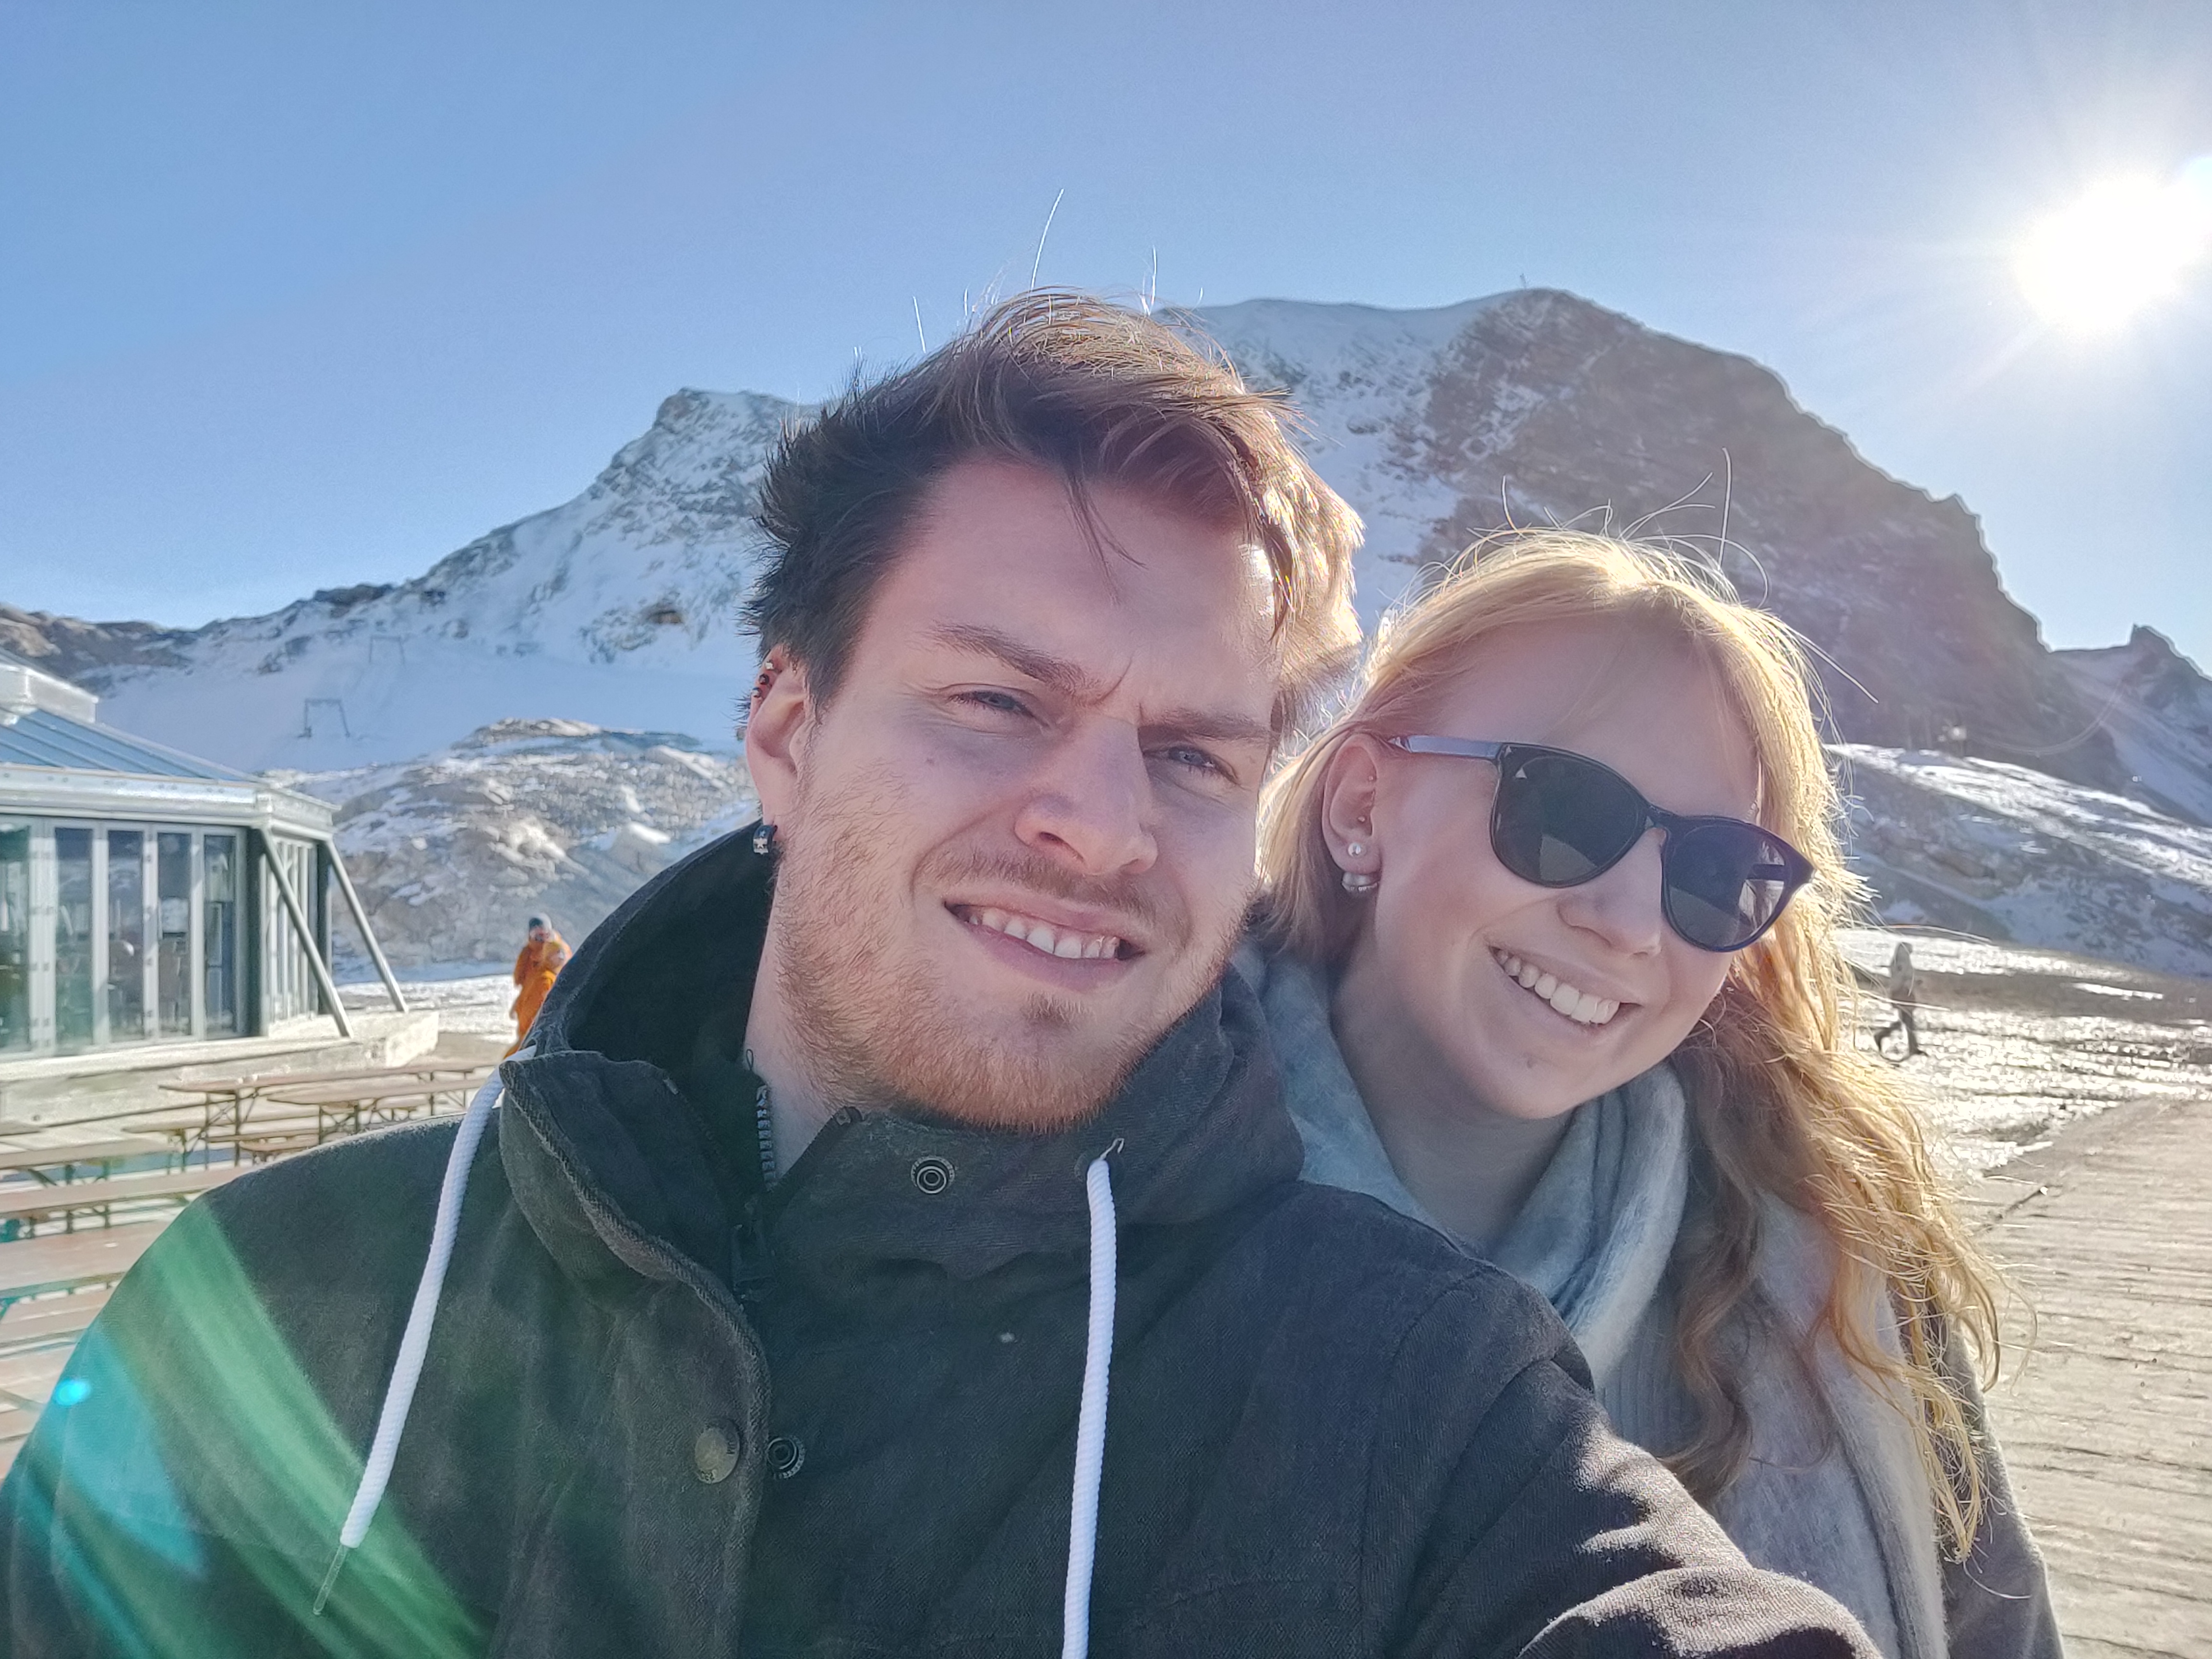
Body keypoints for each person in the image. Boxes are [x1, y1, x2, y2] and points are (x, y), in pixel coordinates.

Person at [1, 299, 1873, 1656]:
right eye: (996, 699)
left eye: (1190, 754)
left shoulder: (1407, 1391)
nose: (1099, 821)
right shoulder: (279, 1305)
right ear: (784, 727)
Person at [1249, 530, 2058, 1659]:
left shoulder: (1838, 1256)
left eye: (1715, 871)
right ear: (1362, 805)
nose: (1630, 924)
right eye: (1562, 809)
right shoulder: (1078, 1203)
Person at [506, 914, 570, 1056]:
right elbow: (524, 984)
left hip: (540, 1030)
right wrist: (518, 1004)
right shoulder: (528, 955)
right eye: (537, 935)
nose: (541, 939)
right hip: (527, 1022)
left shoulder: (558, 952)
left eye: (544, 934)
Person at [1875, 941, 1923, 1059]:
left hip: (1904, 993)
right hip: (1904, 994)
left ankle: (1913, 1046)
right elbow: (1902, 979)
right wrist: (1910, 984)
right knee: (1907, 1021)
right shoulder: (1901, 964)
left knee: (1906, 1021)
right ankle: (1882, 1035)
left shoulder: (1899, 963)